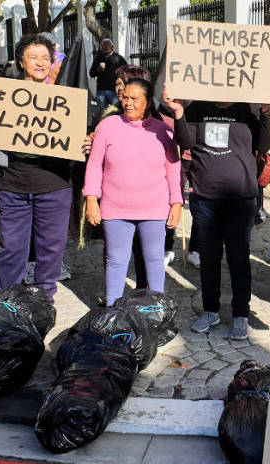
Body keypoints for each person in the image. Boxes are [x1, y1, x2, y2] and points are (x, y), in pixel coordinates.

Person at [164, 88, 270, 341]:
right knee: (210, 259)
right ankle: (210, 310)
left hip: (241, 198)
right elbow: (186, 143)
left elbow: (263, 144)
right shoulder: (197, 107)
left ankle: (240, 315)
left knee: (238, 259)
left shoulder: (249, 108)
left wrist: (266, 114)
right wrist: (180, 113)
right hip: (206, 197)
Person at [0, 35, 74, 302]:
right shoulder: (2, 98)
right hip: (13, 186)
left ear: (52, 63)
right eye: (33, 57)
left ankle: (43, 302)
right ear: (21, 62)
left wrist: (86, 139)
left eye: (45, 58)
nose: (40, 63)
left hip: (54, 185)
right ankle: (6, 304)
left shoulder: (66, 100)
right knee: (12, 249)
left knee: (50, 251)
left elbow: (80, 138)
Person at [84, 77, 183, 305]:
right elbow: (94, 165)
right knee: (116, 260)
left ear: (147, 102)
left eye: (134, 98)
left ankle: (156, 308)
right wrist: (91, 199)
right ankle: (113, 309)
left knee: (154, 259)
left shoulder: (163, 131)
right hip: (115, 209)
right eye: (125, 97)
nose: (128, 103)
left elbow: (173, 169)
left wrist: (176, 203)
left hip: (154, 209)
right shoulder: (108, 126)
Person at [90, 38, 127, 108]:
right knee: (100, 113)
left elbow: (126, 72)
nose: (106, 47)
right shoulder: (98, 58)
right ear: (101, 47)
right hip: (101, 90)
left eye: (108, 45)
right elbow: (91, 74)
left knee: (116, 111)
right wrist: (98, 70)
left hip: (115, 91)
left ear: (112, 47)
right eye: (104, 45)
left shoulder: (118, 58)